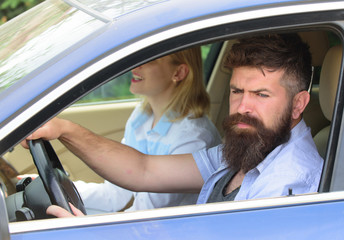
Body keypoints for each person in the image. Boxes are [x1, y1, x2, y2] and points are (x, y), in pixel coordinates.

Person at [23, 33, 323, 218]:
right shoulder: (249, 149)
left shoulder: (291, 184)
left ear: (298, 104)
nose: (243, 107)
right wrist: (65, 130)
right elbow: (144, 170)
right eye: (236, 91)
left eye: (261, 95)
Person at [65, 48, 222, 213]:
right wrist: (64, 190)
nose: (135, 67)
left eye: (151, 59)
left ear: (179, 72)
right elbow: (114, 195)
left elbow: (145, 215)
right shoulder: (141, 117)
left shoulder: (194, 139)